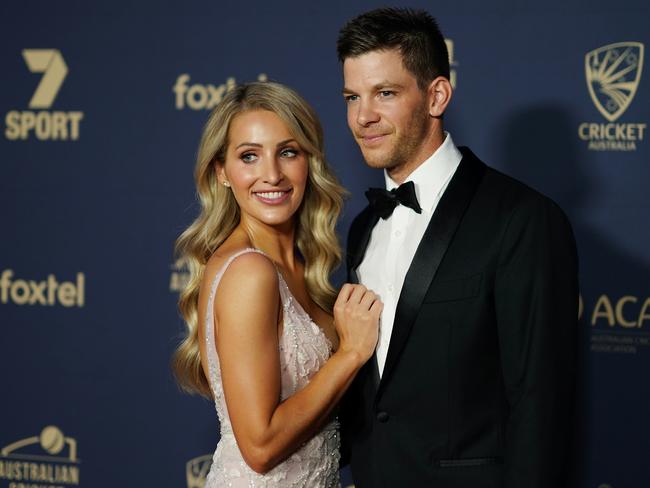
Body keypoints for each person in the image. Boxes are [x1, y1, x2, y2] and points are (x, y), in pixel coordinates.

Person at [337, 8, 579, 487]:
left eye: (384, 93)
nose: (363, 116)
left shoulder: (522, 219)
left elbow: (539, 402)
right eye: (352, 97)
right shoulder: (363, 225)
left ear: (437, 95)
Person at [172, 81, 381, 487]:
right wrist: (351, 352)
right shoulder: (250, 271)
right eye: (249, 156)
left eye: (288, 152)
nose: (271, 174)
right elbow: (261, 447)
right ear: (222, 173)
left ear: (309, 162)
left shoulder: (294, 266)